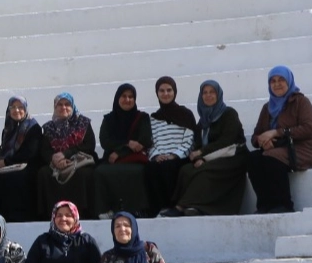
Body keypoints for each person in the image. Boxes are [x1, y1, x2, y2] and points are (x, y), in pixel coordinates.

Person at [166, 80, 247, 216]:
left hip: (233, 156)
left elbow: (227, 140)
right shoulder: (203, 121)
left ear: (218, 94)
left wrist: (202, 153)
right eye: (205, 92)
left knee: (204, 172)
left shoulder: (229, 114)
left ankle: (184, 207)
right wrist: (198, 157)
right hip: (210, 157)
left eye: (212, 92)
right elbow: (197, 145)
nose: (208, 95)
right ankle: (187, 206)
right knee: (185, 170)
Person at [249, 65, 312, 215]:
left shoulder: (301, 102)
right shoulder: (267, 108)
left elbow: (308, 129)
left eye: (281, 80)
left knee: (272, 157)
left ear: (289, 81)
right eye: (273, 81)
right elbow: (256, 136)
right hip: (277, 149)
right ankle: (264, 205)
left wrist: (276, 132)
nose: (277, 84)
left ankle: (284, 204)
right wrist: (263, 141)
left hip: (303, 149)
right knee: (253, 158)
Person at [94, 84, 155, 218]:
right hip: (111, 158)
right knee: (100, 172)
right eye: (124, 96)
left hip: (133, 158)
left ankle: (138, 209)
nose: (127, 100)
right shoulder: (108, 119)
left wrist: (120, 152)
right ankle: (107, 209)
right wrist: (127, 143)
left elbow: (144, 140)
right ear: (117, 98)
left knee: (137, 172)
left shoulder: (142, 117)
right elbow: (105, 141)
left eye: (131, 97)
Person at [38, 92, 98, 219]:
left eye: (67, 104)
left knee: (83, 174)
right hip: (56, 164)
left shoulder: (83, 123)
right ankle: (52, 214)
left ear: (72, 106)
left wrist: (66, 155)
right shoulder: (49, 127)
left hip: (78, 161)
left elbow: (89, 145)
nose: (63, 107)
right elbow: (44, 150)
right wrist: (54, 160)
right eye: (59, 104)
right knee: (43, 173)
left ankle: (82, 213)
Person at [146, 76, 197, 214]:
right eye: (161, 91)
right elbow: (150, 142)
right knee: (151, 167)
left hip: (179, 157)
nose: (165, 94)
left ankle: (173, 206)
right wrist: (156, 155)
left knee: (169, 167)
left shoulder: (185, 114)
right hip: (160, 156)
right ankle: (159, 207)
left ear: (175, 92)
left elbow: (190, 140)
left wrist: (174, 155)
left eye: (169, 90)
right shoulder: (154, 118)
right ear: (157, 93)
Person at [0, 96, 44, 223]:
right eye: (13, 107)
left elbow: (30, 152)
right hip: (10, 164)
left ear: (25, 109)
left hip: (29, 164)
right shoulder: (7, 129)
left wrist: (7, 162)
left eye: (20, 107)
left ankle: (20, 215)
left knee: (17, 177)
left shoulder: (33, 127)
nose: (17, 110)